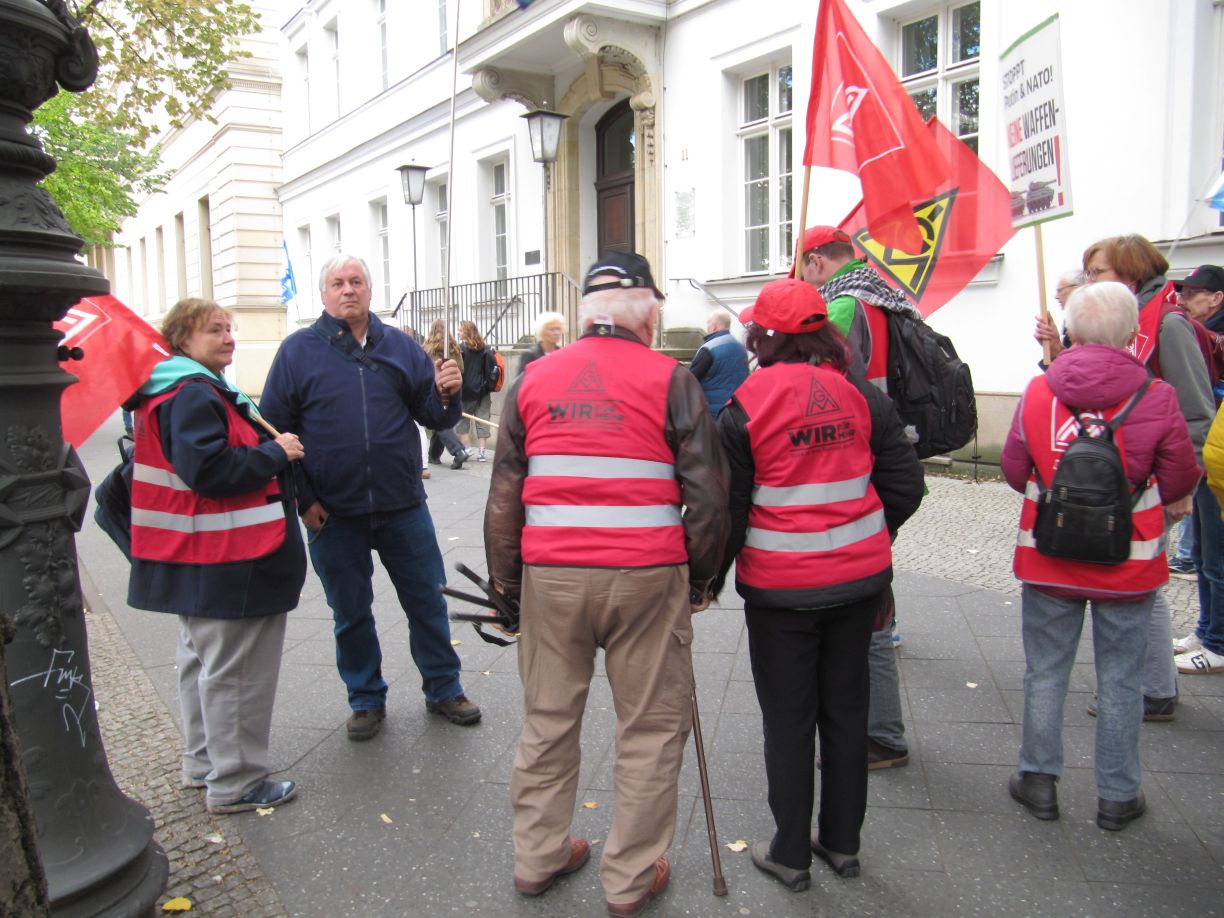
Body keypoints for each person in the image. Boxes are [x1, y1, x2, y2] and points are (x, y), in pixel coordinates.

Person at [484, 252, 729, 917]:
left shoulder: (533, 379)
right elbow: (708, 493)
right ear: (648, 312)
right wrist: (702, 579)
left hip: (551, 577)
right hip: (646, 577)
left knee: (548, 718)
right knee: (650, 726)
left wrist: (506, 588)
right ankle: (629, 878)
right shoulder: (670, 378)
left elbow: (507, 488)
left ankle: (537, 856)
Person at [717, 279, 923, 890]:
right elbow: (906, 486)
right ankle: (841, 843)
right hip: (858, 585)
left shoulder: (746, 404)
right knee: (846, 710)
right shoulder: (860, 395)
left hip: (782, 591)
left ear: (767, 338)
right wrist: (865, 538)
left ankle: (789, 852)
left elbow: (730, 511)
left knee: (788, 719)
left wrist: (704, 582)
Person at [1001, 281, 1199, 831]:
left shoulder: (1039, 390)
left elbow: (1016, 471)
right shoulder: (1155, 395)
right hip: (1129, 562)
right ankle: (1117, 794)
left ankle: (1038, 780)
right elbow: (1182, 475)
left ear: (1071, 330)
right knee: (1120, 679)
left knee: (1045, 672)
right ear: (1134, 334)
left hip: (1049, 557)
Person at [260, 254, 480, 742]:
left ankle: (443, 687)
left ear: (369, 290)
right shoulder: (298, 352)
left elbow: (436, 418)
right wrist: (303, 499)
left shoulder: (400, 347)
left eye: (356, 281)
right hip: (334, 513)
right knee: (351, 612)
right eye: (337, 283)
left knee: (428, 601)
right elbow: (273, 430)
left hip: (403, 505)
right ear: (323, 294)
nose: (348, 290)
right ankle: (365, 697)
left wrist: (448, 394)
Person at [127, 297, 305, 813]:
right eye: (215, 330)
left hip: (202, 556)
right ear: (183, 340)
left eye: (229, 329)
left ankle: (204, 763)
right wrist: (277, 452)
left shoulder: (177, 388)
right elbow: (209, 471)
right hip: (231, 556)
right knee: (237, 672)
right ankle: (236, 783)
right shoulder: (193, 394)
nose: (228, 337)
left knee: (205, 662)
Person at [1072, 237, 1212, 717]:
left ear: (1129, 274)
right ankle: (1154, 686)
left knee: (1139, 584)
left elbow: (1196, 413)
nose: (1089, 281)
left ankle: (1151, 691)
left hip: (1155, 482)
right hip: (1127, 480)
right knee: (1138, 582)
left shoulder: (1169, 324)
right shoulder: (1137, 319)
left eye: (1098, 272)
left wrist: (1184, 489)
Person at [799, 224, 917, 769]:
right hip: (887, 444)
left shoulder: (843, 304)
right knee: (876, 595)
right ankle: (879, 728)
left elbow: (822, 373)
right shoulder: (886, 294)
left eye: (803, 268)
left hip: (855, 451)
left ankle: (882, 735)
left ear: (818, 262)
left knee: (865, 605)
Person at [1171, 265, 1224, 672]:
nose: (1185, 301)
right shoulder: (1199, 334)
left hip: (1217, 457)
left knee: (1217, 556)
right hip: (1210, 456)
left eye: (1192, 294)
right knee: (1205, 553)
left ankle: (1218, 643)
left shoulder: (1211, 338)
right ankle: (1205, 630)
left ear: (1216, 296)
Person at [423, 320, 471, 470]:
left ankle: (458, 451)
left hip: (434, 389)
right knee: (441, 421)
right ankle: (433, 455)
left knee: (439, 421)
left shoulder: (426, 348)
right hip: (452, 389)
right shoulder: (455, 348)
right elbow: (461, 369)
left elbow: (423, 369)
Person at [688, 309, 749, 417]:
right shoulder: (741, 349)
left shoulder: (709, 349)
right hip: (737, 412)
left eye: (708, 324)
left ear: (714, 326)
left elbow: (689, 380)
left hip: (713, 414)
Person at [457, 319, 496, 461]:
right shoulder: (485, 348)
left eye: (460, 330)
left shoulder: (460, 349)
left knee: (462, 420)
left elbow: (458, 370)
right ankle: (482, 452)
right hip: (483, 391)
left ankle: (467, 449)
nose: (458, 332)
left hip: (465, 391)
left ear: (466, 331)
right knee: (483, 420)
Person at [1034, 269, 1084, 367]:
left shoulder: (1089, 321)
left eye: (1059, 290)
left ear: (1076, 289)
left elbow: (1081, 369)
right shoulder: (1069, 321)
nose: (1056, 296)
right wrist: (1055, 347)